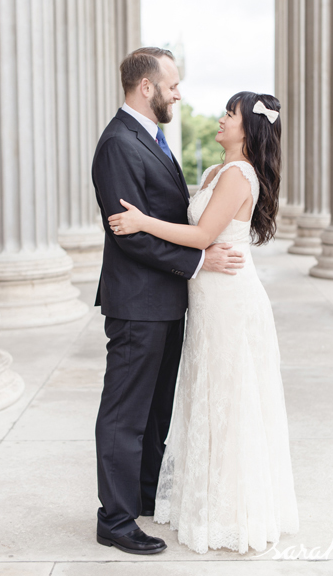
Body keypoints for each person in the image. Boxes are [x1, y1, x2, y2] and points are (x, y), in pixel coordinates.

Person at [108, 90, 299, 554]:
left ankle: (232, 511)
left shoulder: (238, 173)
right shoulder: (216, 170)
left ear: (247, 129)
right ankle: (206, 498)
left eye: (229, 115)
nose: (220, 119)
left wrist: (141, 222)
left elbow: (201, 235)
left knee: (229, 399)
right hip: (207, 299)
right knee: (207, 394)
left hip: (230, 301)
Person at [91, 47, 245, 556]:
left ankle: (142, 494)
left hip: (164, 301)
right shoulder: (118, 143)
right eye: (172, 84)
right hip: (136, 303)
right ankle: (114, 519)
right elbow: (129, 235)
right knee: (125, 414)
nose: (179, 92)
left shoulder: (150, 138)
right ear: (146, 87)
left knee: (155, 412)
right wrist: (200, 263)